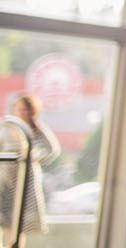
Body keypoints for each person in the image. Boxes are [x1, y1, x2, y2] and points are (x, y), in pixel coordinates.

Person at [2, 94, 61, 246]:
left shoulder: (37, 130)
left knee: (20, 220)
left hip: (25, 179)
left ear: (31, 111)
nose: (20, 113)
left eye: (24, 110)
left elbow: (51, 149)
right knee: (5, 215)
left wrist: (32, 158)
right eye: (17, 109)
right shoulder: (8, 127)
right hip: (6, 179)